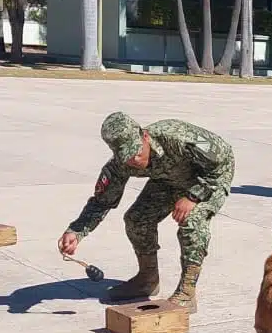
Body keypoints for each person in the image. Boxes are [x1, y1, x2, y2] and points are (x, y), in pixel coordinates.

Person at [59, 112, 234, 314]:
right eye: (127, 156)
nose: (134, 160)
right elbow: (101, 202)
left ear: (144, 136)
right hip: (169, 181)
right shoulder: (119, 165)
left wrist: (193, 196)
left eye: (137, 152)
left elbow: (221, 161)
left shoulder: (175, 136)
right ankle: (147, 280)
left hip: (208, 179)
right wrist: (76, 232)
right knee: (137, 219)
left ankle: (187, 291)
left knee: (192, 222)